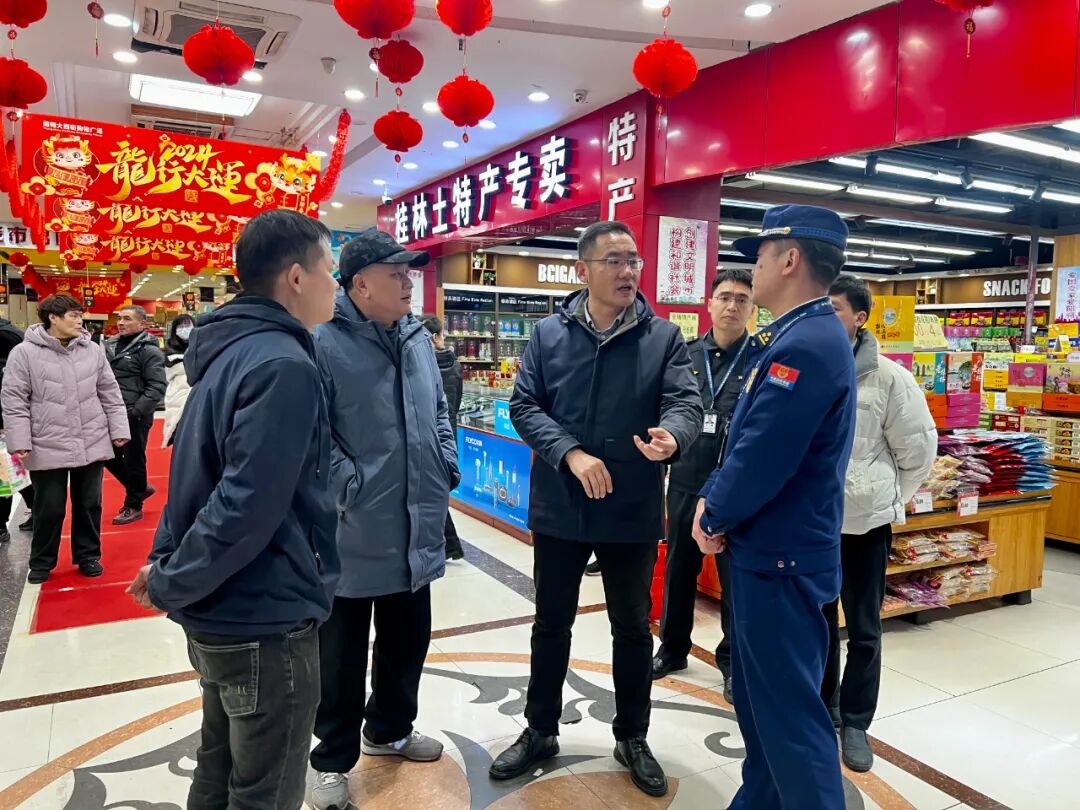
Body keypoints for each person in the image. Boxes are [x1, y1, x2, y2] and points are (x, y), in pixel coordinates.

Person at [126, 209, 340, 809]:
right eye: (330, 268)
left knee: (218, 772)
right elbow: (245, 504)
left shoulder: (229, 351)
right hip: (264, 614)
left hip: (224, 610)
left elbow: (196, 480)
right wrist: (170, 579)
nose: (335, 283)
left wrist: (168, 565)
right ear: (295, 277)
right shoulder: (283, 366)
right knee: (264, 791)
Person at [493, 221, 701, 798]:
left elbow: (685, 402)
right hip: (561, 505)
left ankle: (632, 735)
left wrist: (674, 437)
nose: (628, 271)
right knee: (550, 623)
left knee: (632, 627)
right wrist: (570, 453)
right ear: (583, 270)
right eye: (614, 260)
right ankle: (540, 730)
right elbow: (524, 405)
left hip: (630, 506)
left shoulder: (663, 338)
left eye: (634, 260)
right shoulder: (547, 335)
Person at [695, 204, 856, 809]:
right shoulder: (800, 335)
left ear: (789, 259)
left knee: (789, 717)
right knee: (762, 707)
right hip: (776, 551)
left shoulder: (806, 345)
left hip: (782, 557)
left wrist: (713, 511)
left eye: (759, 255)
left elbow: (764, 453)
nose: (752, 268)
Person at [308, 228, 457, 810]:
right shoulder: (322, 340)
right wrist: (351, 487)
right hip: (353, 529)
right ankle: (331, 759)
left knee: (407, 643)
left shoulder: (416, 337)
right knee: (340, 657)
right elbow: (313, 433)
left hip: (416, 524)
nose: (408, 283)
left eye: (408, 273)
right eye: (395, 274)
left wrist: (445, 462)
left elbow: (438, 408)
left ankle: (390, 729)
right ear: (359, 284)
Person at [822, 275, 937, 772]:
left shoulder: (889, 378)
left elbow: (919, 451)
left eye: (834, 309)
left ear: (860, 318)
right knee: (819, 622)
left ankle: (855, 720)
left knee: (864, 627)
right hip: (815, 523)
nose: (825, 317)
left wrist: (885, 498)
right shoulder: (809, 367)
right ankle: (824, 705)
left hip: (866, 525)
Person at [653, 268, 755, 702]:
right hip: (687, 478)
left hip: (736, 489)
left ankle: (732, 662)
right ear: (710, 303)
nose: (732, 306)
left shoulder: (763, 358)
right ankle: (672, 648)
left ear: (752, 308)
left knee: (735, 580)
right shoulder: (685, 355)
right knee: (680, 569)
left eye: (742, 299)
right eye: (725, 297)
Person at [1, 295, 130, 583]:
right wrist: (19, 439)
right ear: (53, 317)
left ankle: (88, 555)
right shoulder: (24, 353)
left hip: (91, 437)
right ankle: (42, 562)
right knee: (49, 507)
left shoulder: (92, 350)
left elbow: (110, 392)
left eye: (80, 315)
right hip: (47, 440)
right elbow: (14, 400)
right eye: (73, 315)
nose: (79, 320)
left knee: (89, 504)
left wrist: (119, 429)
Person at [104, 304, 166, 525]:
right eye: (120, 318)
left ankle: (133, 505)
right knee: (106, 455)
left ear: (142, 324)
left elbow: (157, 386)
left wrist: (136, 411)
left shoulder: (149, 350)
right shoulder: (109, 346)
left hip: (135, 414)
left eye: (127, 319)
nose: (121, 322)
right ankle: (140, 487)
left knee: (134, 459)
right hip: (112, 412)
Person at [420, 312, 465, 561]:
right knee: (438, 491)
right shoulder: (454, 365)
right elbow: (456, 402)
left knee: (432, 492)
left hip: (428, 434)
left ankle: (450, 545)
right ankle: (450, 545)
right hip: (448, 433)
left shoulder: (423, 365)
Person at [0, 315, 32, 543]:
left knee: (6, 476)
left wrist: (6, 424)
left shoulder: (8, 341)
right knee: (14, 475)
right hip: (8, 423)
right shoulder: (13, 335)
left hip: (6, 425)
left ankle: (0, 526)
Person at [161, 314, 196, 448]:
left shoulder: (204, 347)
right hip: (177, 393)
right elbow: (170, 374)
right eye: (180, 326)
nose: (184, 328)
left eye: (187, 325)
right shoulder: (169, 350)